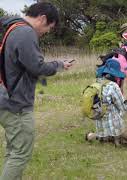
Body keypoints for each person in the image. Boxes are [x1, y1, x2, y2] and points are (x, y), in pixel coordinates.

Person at [0, 2, 73, 180]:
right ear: (43, 18)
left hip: (6, 99)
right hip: (16, 104)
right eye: (49, 27)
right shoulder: (25, 32)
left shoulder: (11, 27)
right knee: (20, 154)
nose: (46, 32)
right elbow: (37, 67)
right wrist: (59, 65)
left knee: (14, 150)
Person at [85, 59, 127, 146]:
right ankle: (119, 140)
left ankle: (95, 136)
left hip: (102, 129)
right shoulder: (113, 86)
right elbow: (123, 108)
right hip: (116, 129)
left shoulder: (97, 84)